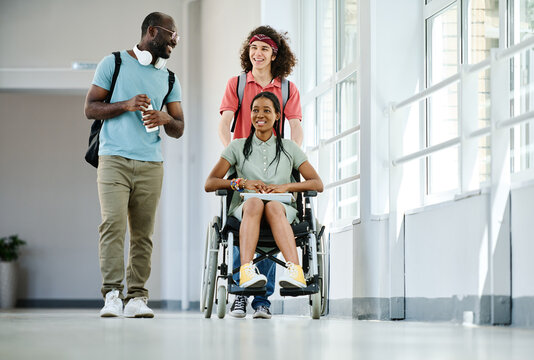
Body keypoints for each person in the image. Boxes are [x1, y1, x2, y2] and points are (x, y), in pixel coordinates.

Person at [84, 12, 184, 318]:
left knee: (143, 233)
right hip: (113, 158)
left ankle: (137, 297)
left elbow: (179, 127)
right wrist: (125, 104)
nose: (174, 42)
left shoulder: (168, 78)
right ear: (152, 32)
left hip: (151, 164)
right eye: (171, 35)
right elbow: (90, 108)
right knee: (112, 225)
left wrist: (165, 118)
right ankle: (112, 295)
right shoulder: (112, 63)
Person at [206, 92, 323, 318]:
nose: (260, 115)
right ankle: (247, 271)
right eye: (255, 110)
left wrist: (285, 187)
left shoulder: (289, 148)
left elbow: (317, 183)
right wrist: (241, 183)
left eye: (267, 110)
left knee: (272, 207)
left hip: (282, 208)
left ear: (278, 116)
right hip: (246, 208)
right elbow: (210, 182)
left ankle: (295, 272)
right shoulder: (237, 147)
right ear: (250, 114)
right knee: (255, 204)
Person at [218, 25, 304, 319]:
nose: (258, 54)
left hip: (276, 162)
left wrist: (291, 158)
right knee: (246, 216)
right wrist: (233, 154)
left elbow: (296, 126)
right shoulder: (238, 84)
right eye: (254, 48)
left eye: (264, 49)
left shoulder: (288, 88)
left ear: (274, 55)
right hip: (244, 162)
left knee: (271, 216)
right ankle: (240, 294)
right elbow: (225, 121)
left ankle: (261, 299)